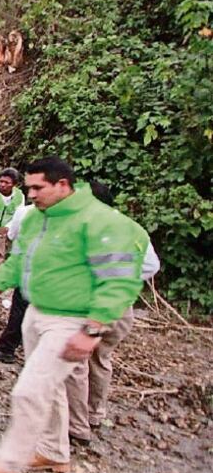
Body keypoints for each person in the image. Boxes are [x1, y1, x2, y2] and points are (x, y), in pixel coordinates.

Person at [0, 157, 148, 473]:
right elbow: (19, 257)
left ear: (63, 185)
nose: (31, 194)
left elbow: (120, 280)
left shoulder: (99, 221)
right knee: (49, 391)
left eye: (38, 187)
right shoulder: (38, 218)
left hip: (72, 319)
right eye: (29, 188)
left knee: (29, 391)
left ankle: (9, 465)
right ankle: (53, 452)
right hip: (37, 311)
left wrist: (93, 328)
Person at [65, 181, 160, 445]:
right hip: (121, 307)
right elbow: (152, 265)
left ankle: (77, 425)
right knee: (102, 359)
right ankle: (96, 413)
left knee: (77, 362)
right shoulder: (135, 229)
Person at [0, 201, 36, 364]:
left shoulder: (25, 212)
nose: (33, 194)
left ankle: (7, 348)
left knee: (20, 312)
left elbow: (12, 237)